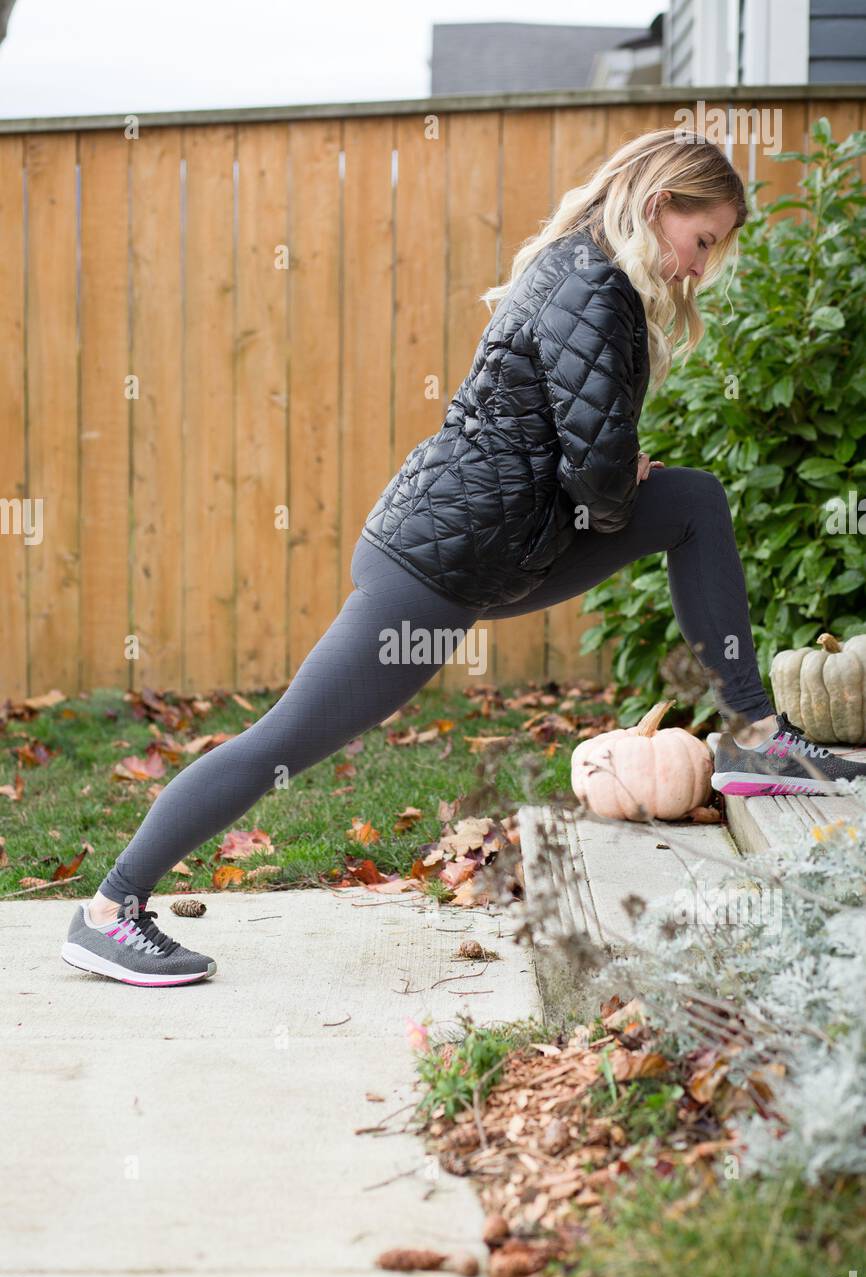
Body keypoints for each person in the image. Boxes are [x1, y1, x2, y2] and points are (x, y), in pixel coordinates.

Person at [62, 126, 866, 987]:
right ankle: (109, 910)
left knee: (694, 503)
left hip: (502, 548)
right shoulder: (593, 280)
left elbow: (585, 456)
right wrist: (620, 478)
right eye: (701, 241)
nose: (699, 269)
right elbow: (598, 471)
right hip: (437, 563)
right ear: (660, 203)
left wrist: (618, 479)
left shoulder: (584, 268)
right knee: (283, 740)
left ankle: (756, 736)